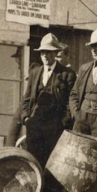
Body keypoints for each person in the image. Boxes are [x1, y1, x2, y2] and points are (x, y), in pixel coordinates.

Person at [20, 33, 76, 164]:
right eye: (43, 53)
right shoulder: (35, 72)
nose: (45, 56)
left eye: (49, 53)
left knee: (52, 165)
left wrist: (63, 123)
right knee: (33, 163)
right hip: (34, 127)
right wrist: (26, 118)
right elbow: (26, 98)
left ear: (56, 53)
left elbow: (71, 102)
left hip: (55, 129)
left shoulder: (68, 74)